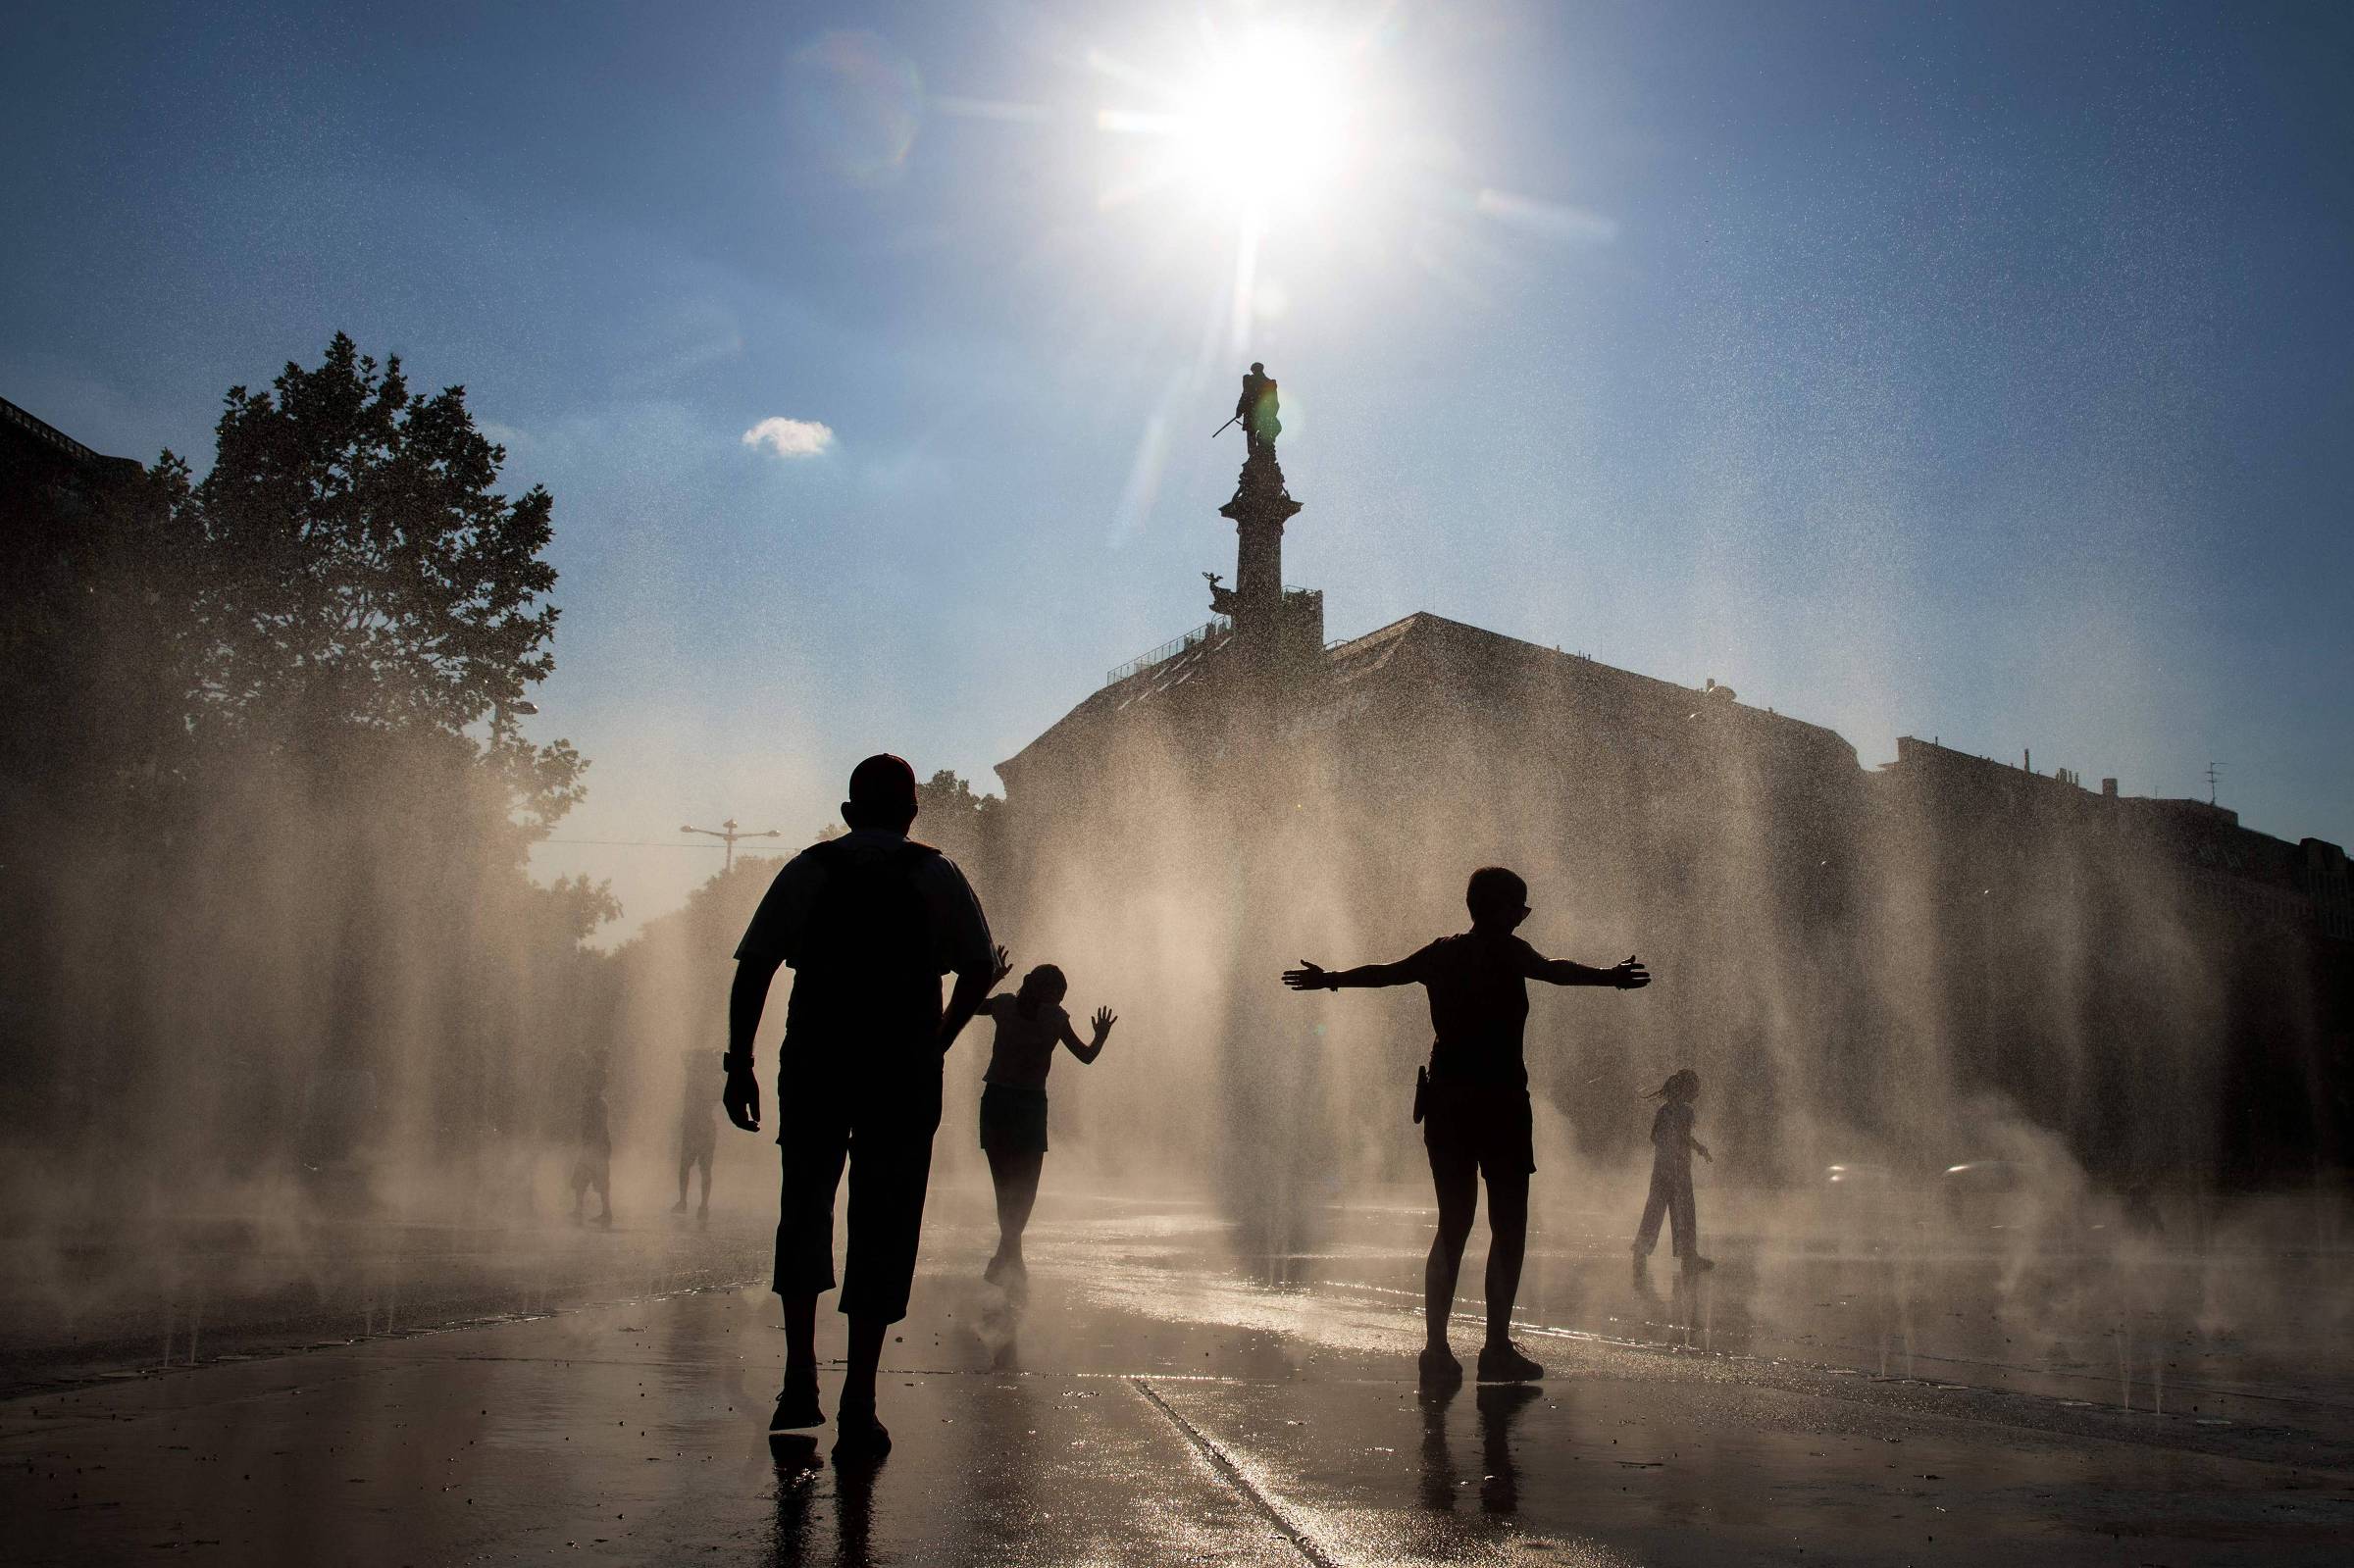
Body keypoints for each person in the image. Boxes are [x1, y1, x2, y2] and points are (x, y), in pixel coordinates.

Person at [723, 754, 995, 1460]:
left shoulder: (808, 869)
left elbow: (755, 964)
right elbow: (977, 967)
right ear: (911, 813)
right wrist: (939, 1039)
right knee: (885, 1221)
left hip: (815, 1061)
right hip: (902, 1069)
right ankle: (860, 1400)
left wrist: (739, 1062)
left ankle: (798, 1379)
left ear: (847, 813)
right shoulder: (938, 874)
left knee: (805, 1208)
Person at [1283, 866, 1650, 1388]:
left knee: (1453, 1225)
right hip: (1498, 1104)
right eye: (1519, 909)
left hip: (1446, 1104)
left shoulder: (1442, 952)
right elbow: (1556, 970)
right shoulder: (1507, 950)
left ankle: (1436, 1350)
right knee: (1508, 1226)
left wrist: (1331, 980)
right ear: (1498, 910)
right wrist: (1610, 977)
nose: (1522, 918)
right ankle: (1496, 1348)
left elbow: (1385, 972)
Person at [972, 950, 1118, 1286]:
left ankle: (1008, 1260)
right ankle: (1009, 1259)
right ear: (1037, 987)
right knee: (1016, 1188)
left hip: (1006, 1102)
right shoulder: (1021, 1010)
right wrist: (1100, 1037)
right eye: (1054, 992)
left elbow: (969, 1006)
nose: (1055, 999)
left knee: (1014, 1188)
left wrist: (1100, 1037)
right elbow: (1087, 1056)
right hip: (1019, 1104)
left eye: (1059, 995)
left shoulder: (1019, 1009)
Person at [1631, 1069, 1712, 1278]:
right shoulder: (1686, 1111)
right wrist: (1696, 1148)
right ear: (1685, 1089)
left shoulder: (1663, 1111)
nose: (1697, 1092)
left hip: (1661, 1168)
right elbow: (1683, 1137)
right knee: (1684, 1211)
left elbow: (1654, 1137)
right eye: (1695, 1087)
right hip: (1679, 1169)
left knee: (1655, 1208)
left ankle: (1641, 1250)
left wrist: (1669, 1149)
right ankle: (1688, 1257)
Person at [673, 1049, 719, 1220]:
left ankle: (683, 1201)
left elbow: (683, 1055)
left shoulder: (694, 1077)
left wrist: (698, 1051)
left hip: (693, 1126)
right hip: (707, 1126)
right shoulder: (715, 1081)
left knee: (685, 1166)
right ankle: (703, 1205)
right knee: (705, 1169)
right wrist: (712, 1056)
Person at [569, 1070, 612, 1229]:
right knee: (582, 1178)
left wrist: (592, 1145)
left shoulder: (598, 1103)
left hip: (596, 1147)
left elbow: (597, 1127)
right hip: (593, 1146)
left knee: (598, 1180)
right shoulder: (593, 1102)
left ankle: (606, 1212)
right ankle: (580, 1210)